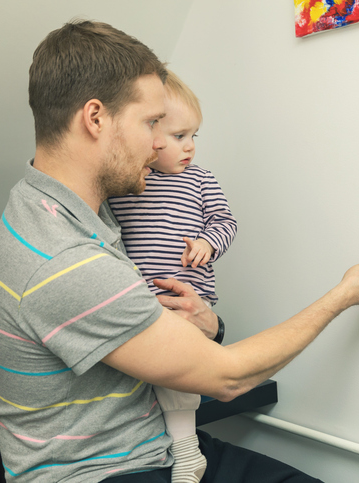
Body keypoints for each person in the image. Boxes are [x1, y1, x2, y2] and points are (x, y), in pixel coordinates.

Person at [0, 20, 359, 483]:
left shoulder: (74, 208)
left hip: (156, 448)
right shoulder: (61, 258)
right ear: (95, 119)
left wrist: (210, 324)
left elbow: (153, 336)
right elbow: (228, 378)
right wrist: (346, 293)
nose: (160, 143)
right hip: (99, 474)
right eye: (151, 123)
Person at [108, 69, 237, 483]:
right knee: (145, 377)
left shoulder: (200, 180)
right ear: (150, 136)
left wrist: (209, 242)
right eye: (180, 136)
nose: (191, 148)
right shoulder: (128, 185)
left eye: (194, 136)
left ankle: (186, 451)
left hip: (188, 299)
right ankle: (168, 446)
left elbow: (226, 221)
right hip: (143, 301)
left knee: (177, 375)